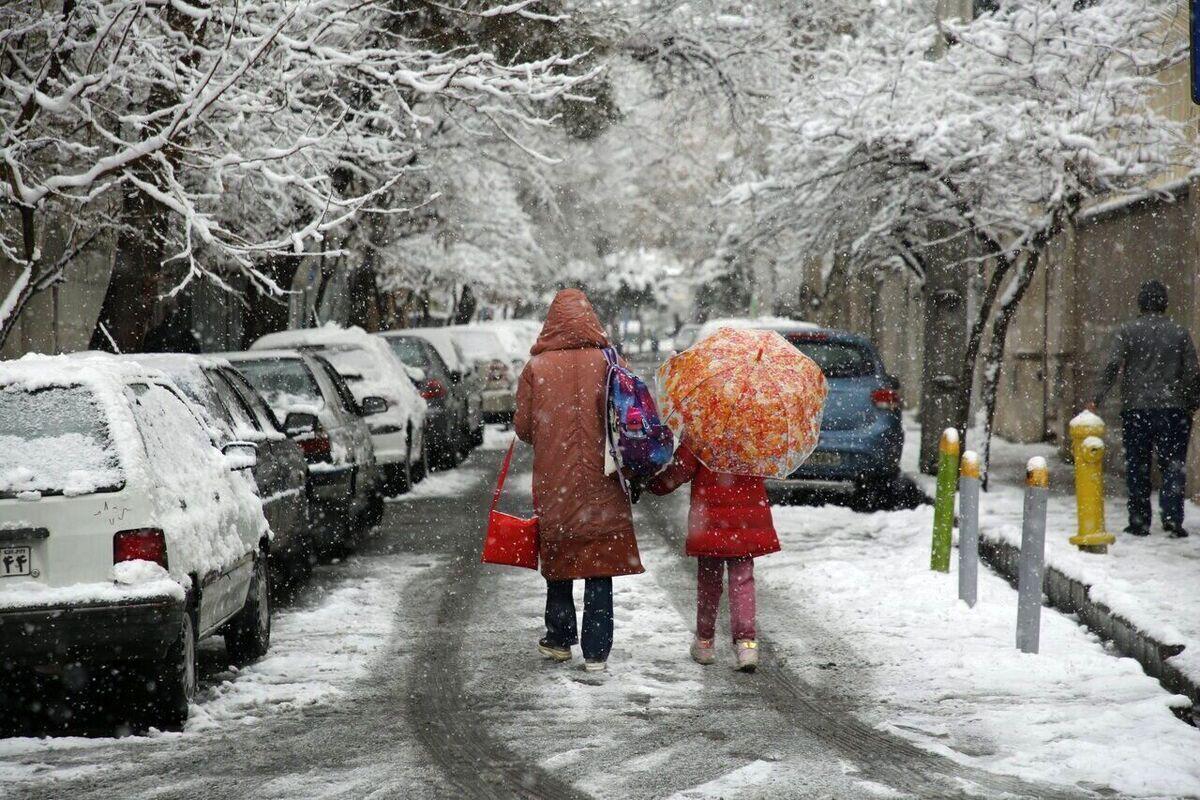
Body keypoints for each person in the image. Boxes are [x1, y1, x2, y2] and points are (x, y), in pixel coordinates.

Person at [514, 289, 644, 672]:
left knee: (560, 553)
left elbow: (523, 428)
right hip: (605, 477)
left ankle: (559, 638)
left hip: (556, 481)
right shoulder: (609, 361)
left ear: (551, 322)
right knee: (599, 560)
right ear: (591, 318)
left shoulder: (536, 368)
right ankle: (597, 651)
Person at [647, 438, 780, 672]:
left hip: (709, 517)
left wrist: (653, 485)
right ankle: (747, 645)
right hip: (746, 518)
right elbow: (769, 466)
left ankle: (705, 643)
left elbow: (680, 470)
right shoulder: (756, 428)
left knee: (709, 582)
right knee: (743, 581)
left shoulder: (702, 428)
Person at [1091, 279, 1200, 538]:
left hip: (1136, 409)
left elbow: (1112, 366)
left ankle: (1139, 521)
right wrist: (1191, 402)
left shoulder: (1127, 331)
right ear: (1164, 304)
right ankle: (1173, 518)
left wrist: (1097, 398)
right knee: (1172, 465)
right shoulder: (1179, 333)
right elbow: (1193, 372)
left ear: (1141, 303)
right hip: (1173, 410)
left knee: (1138, 465)